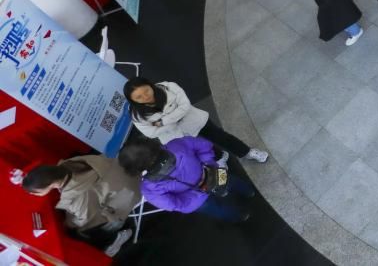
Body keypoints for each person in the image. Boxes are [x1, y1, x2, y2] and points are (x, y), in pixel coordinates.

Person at [123, 78, 268, 163]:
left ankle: (247, 152)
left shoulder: (168, 87)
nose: (146, 97)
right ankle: (220, 157)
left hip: (195, 121)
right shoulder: (137, 116)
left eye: (146, 91)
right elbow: (151, 133)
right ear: (133, 101)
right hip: (177, 136)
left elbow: (185, 106)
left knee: (221, 137)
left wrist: (162, 122)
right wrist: (174, 120)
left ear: (150, 85)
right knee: (202, 149)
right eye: (139, 97)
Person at [117, 137, 256, 222]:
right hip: (210, 172)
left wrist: (190, 203)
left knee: (219, 210)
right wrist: (209, 162)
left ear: (134, 168)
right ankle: (249, 191)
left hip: (196, 200)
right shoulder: (175, 145)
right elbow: (204, 145)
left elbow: (172, 204)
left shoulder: (148, 187)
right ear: (149, 144)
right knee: (231, 181)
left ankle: (240, 216)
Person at [22, 157, 138, 255]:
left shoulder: (78, 197)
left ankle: (113, 240)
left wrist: (68, 224)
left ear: (51, 184)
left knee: (77, 234)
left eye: (35, 192)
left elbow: (88, 220)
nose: (33, 194)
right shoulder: (68, 163)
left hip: (127, 193)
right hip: (125, 168)